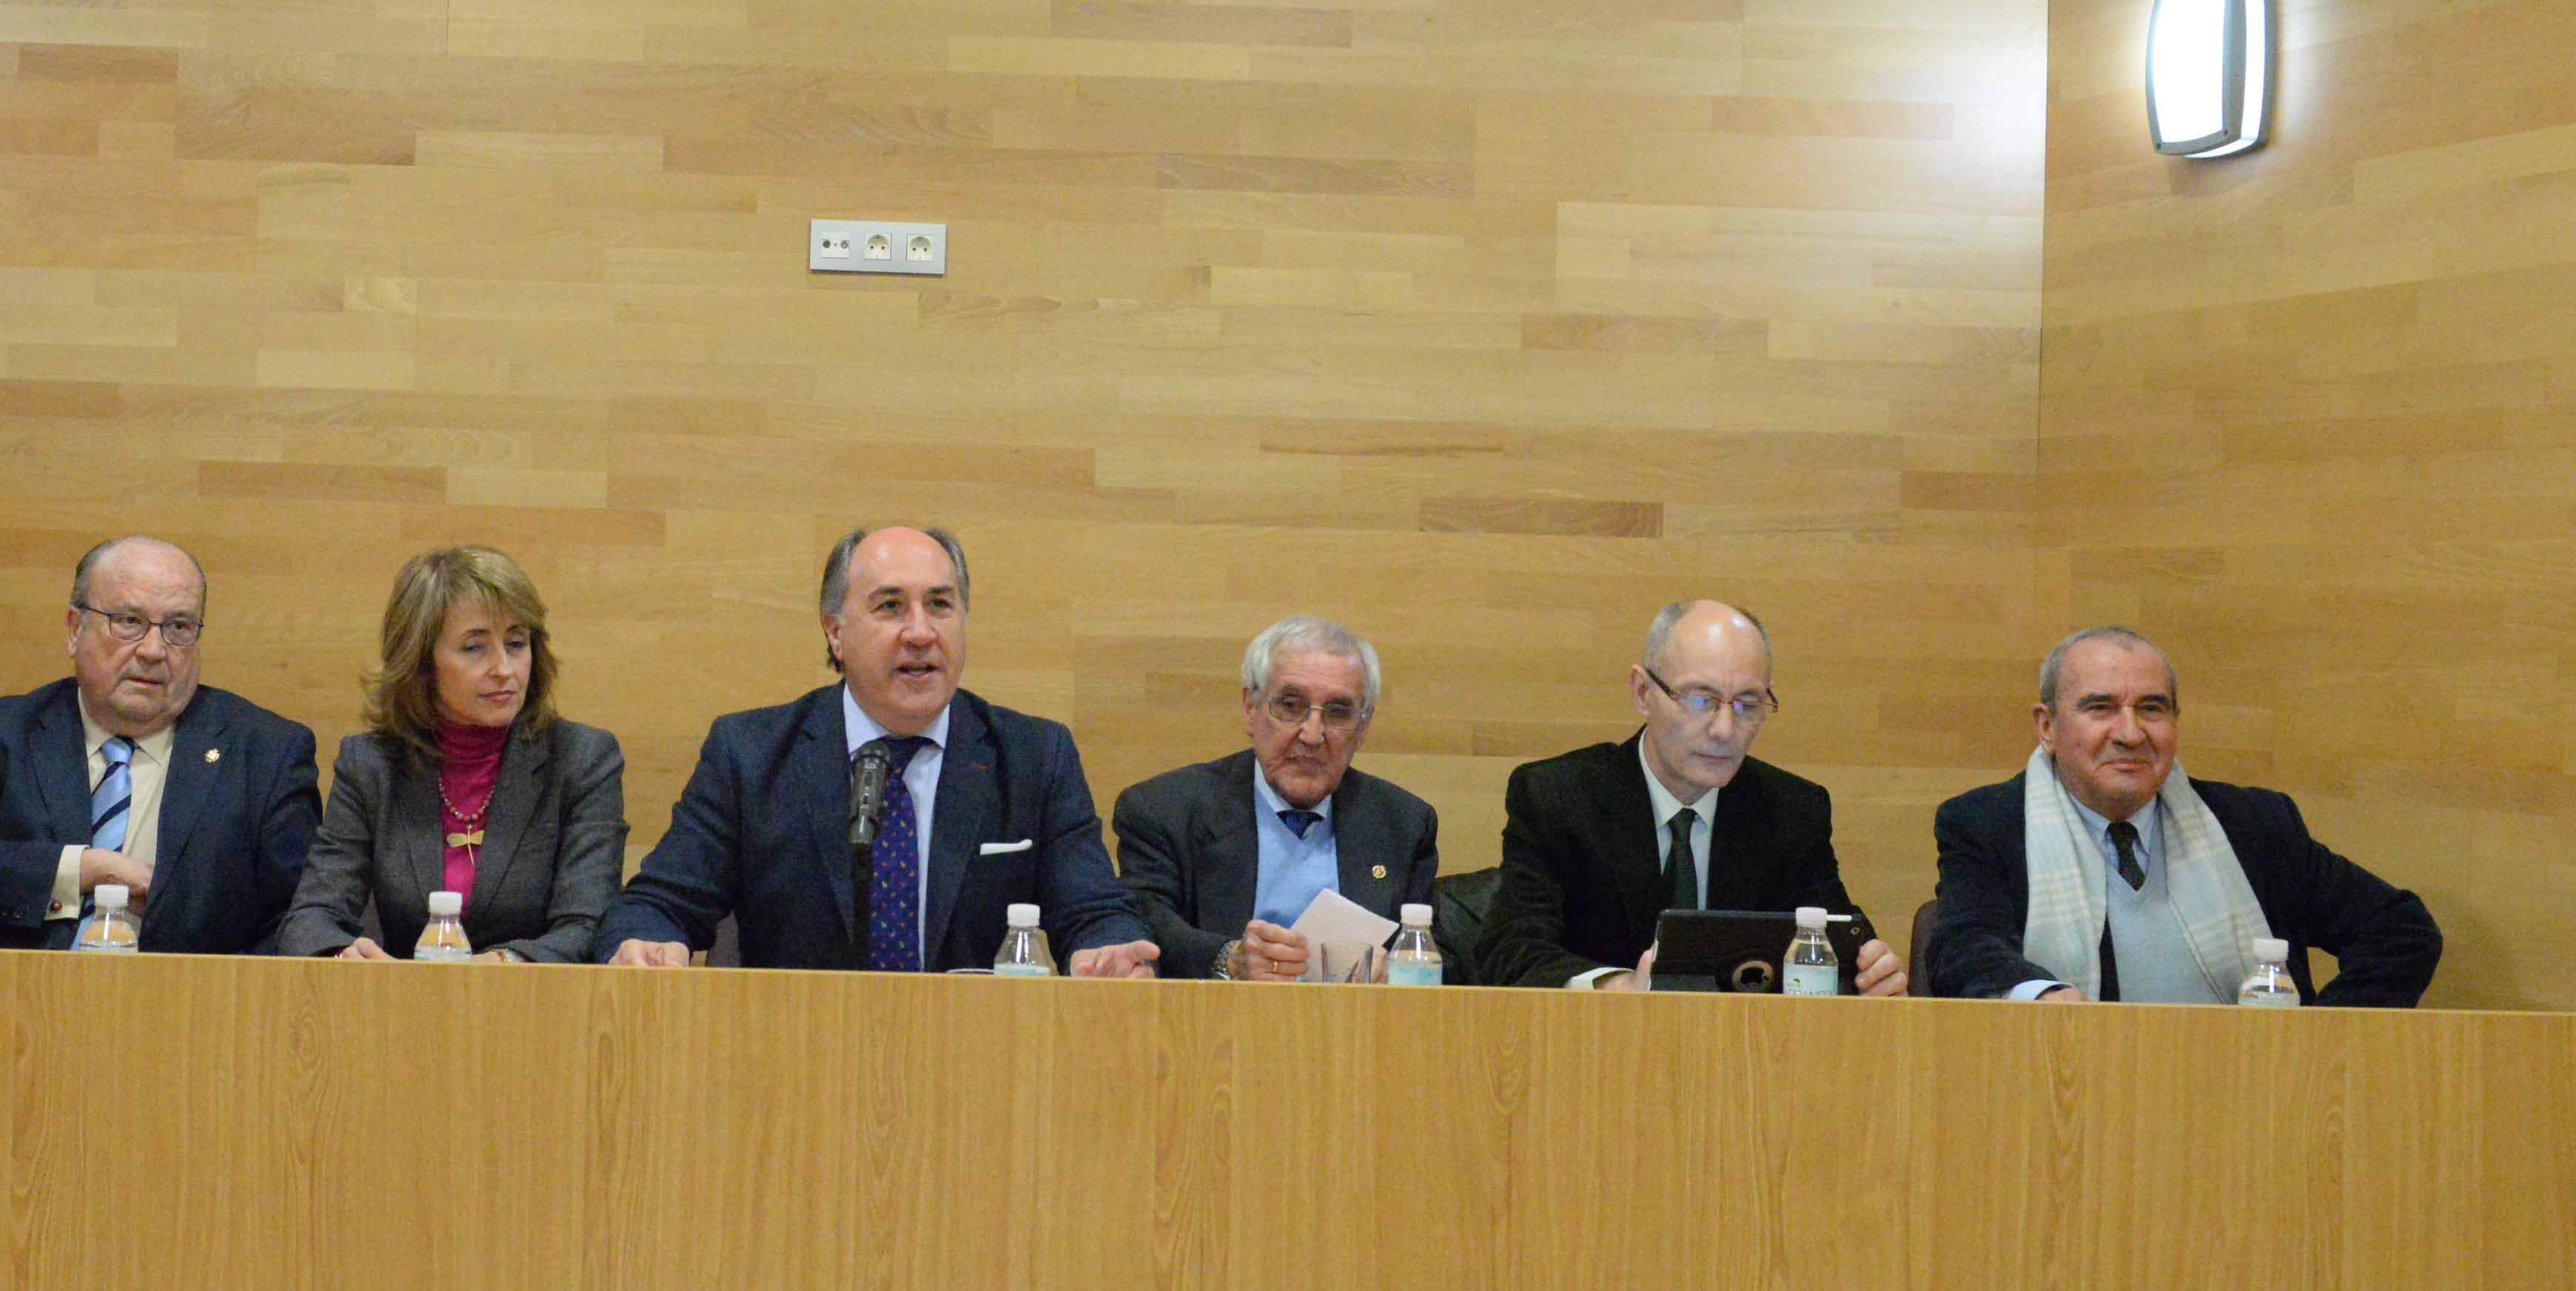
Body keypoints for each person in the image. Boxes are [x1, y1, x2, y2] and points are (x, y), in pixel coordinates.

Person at [595, 525, 1157, 975]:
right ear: (835, 632)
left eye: (940, 605)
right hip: (793, 1065)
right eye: (890, 607)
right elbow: (658, 903)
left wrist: (1108, 952)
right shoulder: (752, 755)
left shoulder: (1034, 755)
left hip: (984, 1068)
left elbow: (1094, 912)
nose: (920, 632)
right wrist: (648, 942)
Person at [1923, 626, 2439, 1004]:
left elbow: (2399, 930)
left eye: (2151, 709)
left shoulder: (2253, 824)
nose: (2130, 733)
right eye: (2100, 708)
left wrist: (2323, 1038)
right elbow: (1967, 949)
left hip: (2251, 1098)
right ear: (2047, 727)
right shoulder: (1987, 823)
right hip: (2066, 1096)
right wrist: (2044, 998)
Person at [0, 536, 318, 957]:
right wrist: (84, 870)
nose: (154, 650)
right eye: (129, 621)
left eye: (179, 627)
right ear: (75, 630)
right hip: (19, 1008)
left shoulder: (265, 752)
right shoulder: (7, 733)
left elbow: (301, 918)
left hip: (191, 1012)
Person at [1472, 599, 1908, 993]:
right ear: (1644, 693)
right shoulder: (1558, 799)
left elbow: (1833, 939)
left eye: (1747, 704)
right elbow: (1511, 952)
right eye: (1702, 700)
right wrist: (1619, 989)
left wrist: (1869, 973)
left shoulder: (1791, 812)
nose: (1724, 730)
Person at [275, 546, 625, 962]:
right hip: (399, 1010)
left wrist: (504, 966)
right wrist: (344, 957)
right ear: (422, 662)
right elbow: (312, 918)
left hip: (538, 1011)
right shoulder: (371, 765)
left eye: (516, 643)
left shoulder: (582, 759)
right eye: (475, 648)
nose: (505, 669)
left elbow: (589, 927)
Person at [1110, 616, 1440, 980]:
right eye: (1291, 706)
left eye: (1338, 712)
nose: (1313, 735)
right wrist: (1228, 959)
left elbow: (1435, 950)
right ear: (1251, 708)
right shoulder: (1165, 809)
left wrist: (1396, 969)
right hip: (1210, 1026)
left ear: (1363, 728)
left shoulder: (1403, 823)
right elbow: (1143, 920)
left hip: (1354, 1028)